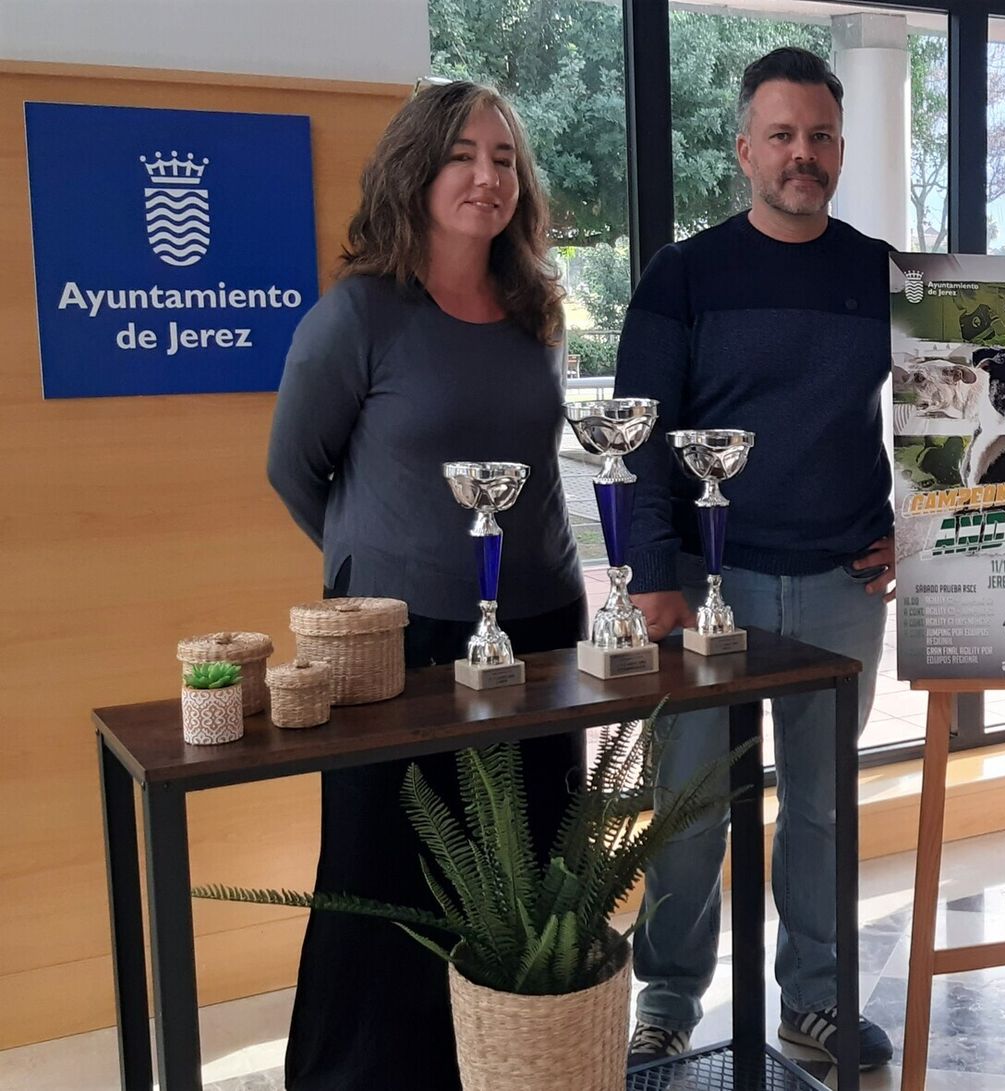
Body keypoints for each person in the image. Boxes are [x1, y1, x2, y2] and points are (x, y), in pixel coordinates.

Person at [266, 81, 585, 1090]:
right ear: (417, 168)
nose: (486, 176)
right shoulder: (358, 313)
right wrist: (387, 564)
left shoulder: (537, 306)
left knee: (527, 869)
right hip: (398, 645)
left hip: (539, 626)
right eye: (462, 155)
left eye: (503, 158)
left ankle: (509, 1065)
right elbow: (292, 467)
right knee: (381, 873)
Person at [612, 46, 895, 1071]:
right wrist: (650, 575)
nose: (802, 154)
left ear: (840, 148)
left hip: (839, 583)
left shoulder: (879, 273)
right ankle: (669, 997)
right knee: (687, 809)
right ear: (744, 148)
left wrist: (921, 527)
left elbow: (945, 414)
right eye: (781, 135)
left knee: (821, 806)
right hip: (702, 587)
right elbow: (643, 432)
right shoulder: (683, 276)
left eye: (819, 136)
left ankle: (811, 997)